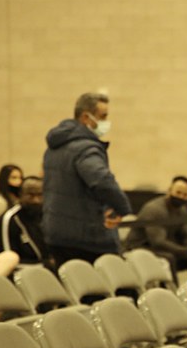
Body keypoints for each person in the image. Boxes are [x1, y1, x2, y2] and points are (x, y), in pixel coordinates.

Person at [42, 92, 132, 265]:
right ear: (85, 117)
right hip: (85, 237)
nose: (106, 122)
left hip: (56, 233)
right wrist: (122, 208)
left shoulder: (54, 147)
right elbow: (102, 181)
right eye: (103, 116)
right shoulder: (85, 148)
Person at [124, 175, 187, 276]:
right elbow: (158, 242)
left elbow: (186, 235)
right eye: (178, 193)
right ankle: (172, 286)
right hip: (140, 247)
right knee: (169, 258)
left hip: (158, 247)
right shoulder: (154, 209)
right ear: (169, 191)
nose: (181, 197)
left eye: (185, 195)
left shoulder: (182, 210)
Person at [0, 176, 49, 268]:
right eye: (30, 195)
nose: (36, 200)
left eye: (40, 195)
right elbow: (7, 263)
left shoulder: (47, 216)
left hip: (44, 270)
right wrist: (46, 265)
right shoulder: (9, 220)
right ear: (20, 195)